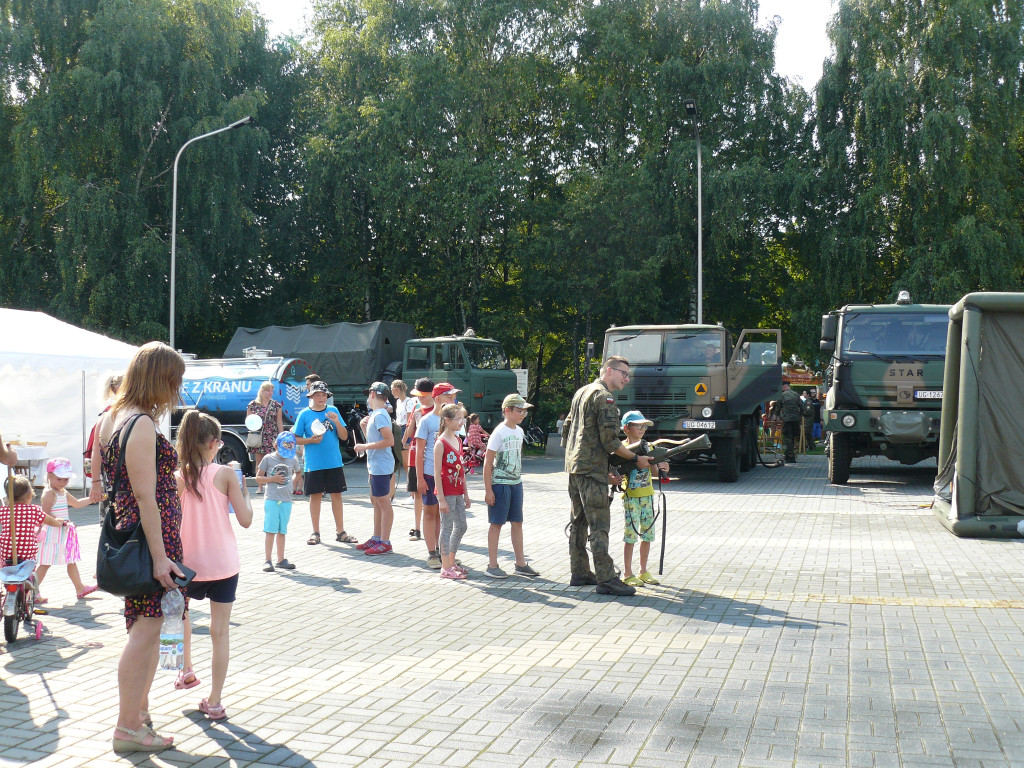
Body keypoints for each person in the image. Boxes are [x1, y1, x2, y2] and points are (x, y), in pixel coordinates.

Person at [100, 341, 187, 752]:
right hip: (151, 541)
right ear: (160, 378)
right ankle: (127, 727)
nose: (178, 389)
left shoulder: (114, 417)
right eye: (175, 380)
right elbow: (144, 496)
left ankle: (140, 716)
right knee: (146, 632)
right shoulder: (142, 424)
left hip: (139, 537)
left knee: (143, 629)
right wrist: (160, 557)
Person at [174, 410, 253, 721]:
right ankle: (216, 700)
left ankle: (187, 669)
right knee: (220, 633)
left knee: (180, 619)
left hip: (185, 565)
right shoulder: (226, 474)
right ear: (214, 443)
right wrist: (245, 493)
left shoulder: (176, 477)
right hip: (223, 563)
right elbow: (245, 520)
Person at [562, 356, 651, 597]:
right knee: (599, 525)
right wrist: (634, 459)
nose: (626, 378)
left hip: (575, 467)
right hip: (591, 471)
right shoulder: (605, 397)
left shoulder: (582, 392)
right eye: (623, 373)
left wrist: (577, 457)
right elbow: (610, 441)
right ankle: (607, 578)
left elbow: (567, 429)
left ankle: (579, 571)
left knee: (578, 522)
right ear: (609, 371)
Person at [483, 394, 540, 579]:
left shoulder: (519, 431)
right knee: (497, 523)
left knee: (517, 522)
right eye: (519, 410)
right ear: (507, 410)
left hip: (516, 482)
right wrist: (488, 490)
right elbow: (488, 462)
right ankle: (492, 565)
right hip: (500, 483)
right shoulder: (499, 432)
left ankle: (520, 563)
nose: (523, 414)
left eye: (524, 411)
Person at [292, 381, 356, 545]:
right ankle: (315, 532)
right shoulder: (305, 414)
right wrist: (310, 440)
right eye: (318, 395)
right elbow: (295, 438)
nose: (322, 398)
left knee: (337, 495)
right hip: (314, 463)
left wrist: (336, 422)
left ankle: (341, 532)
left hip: (334, 462)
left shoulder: (333, 411)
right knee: (315, 497)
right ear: (311, 396)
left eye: (324, 395)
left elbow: (344, 436)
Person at [616, 412, 669, 587]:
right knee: (630, 536)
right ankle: (627, 572)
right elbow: (614, 469)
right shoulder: (621, 449)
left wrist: (663, 467)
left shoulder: (649, 447)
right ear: (626, 428)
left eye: (644, 426)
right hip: (630, 497)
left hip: (647, 495)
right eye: (638, 426)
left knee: (647, 534)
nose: (641, 429)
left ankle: (643, 570)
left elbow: (655, 473)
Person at [35, 458, 97, 602]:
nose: (63, 482)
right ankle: (32, 592)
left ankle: (80, 588)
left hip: (62, 534)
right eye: (59, 479)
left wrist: (92, 499)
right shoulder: (49, 493)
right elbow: (44, 515)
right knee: (45, 563)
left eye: (66, 479)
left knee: (71, 560)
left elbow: (77, 503)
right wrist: (60, 522)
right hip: (52, 534)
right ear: (49, 475)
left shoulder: (62, 491)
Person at [417, 382, 459, 569]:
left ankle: (444, 552)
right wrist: (419, 477)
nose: (453, 400)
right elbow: (419, 451)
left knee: (446, 515)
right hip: (429, 474)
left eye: (453, 396)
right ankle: (432, 553)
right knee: (430, 512)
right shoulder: (426, 421)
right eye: (449, 396)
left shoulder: (453, 420)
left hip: (447, 476)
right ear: (437, 399)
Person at [353, 382, 396, 555]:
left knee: (383, 502)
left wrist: (364, 446)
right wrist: (364, 428)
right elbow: (377, 438)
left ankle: (385, 541)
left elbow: (389, 441)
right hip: (376, 465)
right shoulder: (377, 414)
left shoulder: (379, 415)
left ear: (372, 395)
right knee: (376, 501)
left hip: (381, 466)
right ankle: (377, 537)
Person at [433, 403, 472, 580]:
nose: (461, 422)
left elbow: (461, 469)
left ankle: (451, 560)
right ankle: (445, 566)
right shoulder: (440, 443)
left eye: (462, 419)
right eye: (458, 419)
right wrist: (441, 498)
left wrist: (466, 493)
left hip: (457, 491)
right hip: (446, 492)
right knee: (447, 526)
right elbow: (436, 473)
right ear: (447, 420)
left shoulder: (458, 440)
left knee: (462, 525)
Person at [256, 432, 301, 571]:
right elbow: (258, 477)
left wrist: (292, 484)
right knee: (270, 530)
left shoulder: (292, 459)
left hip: (286, 500)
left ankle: (280, 559)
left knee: (282, 530)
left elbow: (298, 472)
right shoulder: (268, 459)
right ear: (275, 445)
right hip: (272, 498)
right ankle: (267, 559)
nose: (285, 454)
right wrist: (272, 479)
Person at [1, 475, 66, 566]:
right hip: (26, 550)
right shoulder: (34, 510)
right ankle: (29, 578)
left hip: (6, 549)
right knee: (29, 567)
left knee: (5, 565)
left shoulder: (4, 510)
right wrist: (58, 523)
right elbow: (50, 521)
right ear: (29, 495)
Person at [88, 373, 123, 512]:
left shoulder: (110, 413)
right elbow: (96, 451)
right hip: (114, 478)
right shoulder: (108, 415)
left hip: (115, 478)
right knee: (109, 516)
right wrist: (96, 482)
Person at [403, 378, 432, 543]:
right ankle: (417, 527)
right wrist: (414, 419)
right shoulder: (417, 407)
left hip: (429, 457)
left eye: (422, 395)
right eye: (418, 395)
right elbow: (409, 434)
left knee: (429, 494)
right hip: (415, 454)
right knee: (416, 493)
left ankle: (431, 528)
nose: (420, 398)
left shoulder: (436, 410)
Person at [246, 382, 284, 491]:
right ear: (262, 391)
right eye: (268, 390)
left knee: (273, 460)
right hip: (259, 436)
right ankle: (260, 486)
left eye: (271, 391)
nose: (270, 393)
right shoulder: (253, 405)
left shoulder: (276, 405)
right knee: (259, 461)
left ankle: (272, 484)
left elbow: (279, 422)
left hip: (272, 436)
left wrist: (281, 437)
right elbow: (249, 421)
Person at [775, 382, 804, 462]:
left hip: (787, 419)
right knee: (793, 436)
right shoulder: (796, 394)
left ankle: (790, 456)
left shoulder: (782, 395)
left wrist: (776, 416)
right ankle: (788, 454)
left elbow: (778, 408)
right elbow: (802, 406)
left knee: (788, 437)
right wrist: (800, 416)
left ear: (784, 387)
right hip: (796, 419)